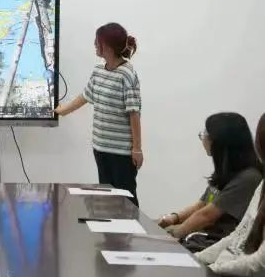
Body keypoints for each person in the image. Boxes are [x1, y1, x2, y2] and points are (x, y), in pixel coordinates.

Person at [55, 23, 142, 205]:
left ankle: (132, 225)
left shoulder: (127, 74)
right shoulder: (98, 70)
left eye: (97, 42)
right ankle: (110, 225)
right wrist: (63, 110)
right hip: (101, 147)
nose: (95, 45)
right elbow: (86, 95)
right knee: (107, 198)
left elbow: (134, 113)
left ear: (108, 46)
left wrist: (137, 149)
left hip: (121, 152)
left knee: (126, 199)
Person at [158, 113, 261, 251]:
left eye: (206, 134)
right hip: (206, 236)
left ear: (221, 142)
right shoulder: (227, 172)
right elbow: (201, 205)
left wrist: (172, 235)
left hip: (221, 244)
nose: (203, 138)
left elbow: (207, 216)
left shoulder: (248, 178)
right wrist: (174, 218)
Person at [195, 113, 265, 277]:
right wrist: (195, 259)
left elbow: (258, 263)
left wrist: (212, 269)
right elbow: (237, 236)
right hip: (225, 268)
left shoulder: (249, 177)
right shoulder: (262, 185)